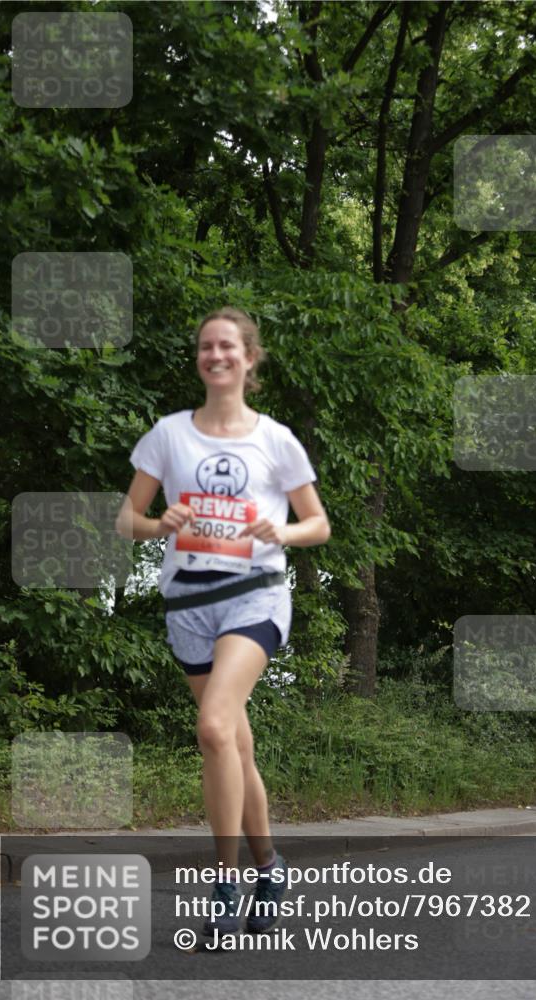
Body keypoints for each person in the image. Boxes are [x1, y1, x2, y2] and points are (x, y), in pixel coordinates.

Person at [117, 306, 330, 939]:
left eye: (228, 346)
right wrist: (161, 524)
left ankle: (226, 883)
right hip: (188, 603)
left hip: (255, 595)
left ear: (249, 357)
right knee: (232, 742)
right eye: (207, 346)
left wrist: (281, 529)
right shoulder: (169, 434)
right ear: (200, 359)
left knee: (211, 726)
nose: (217, 355)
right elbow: (127, 518)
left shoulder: (275, 438)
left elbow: (318, 524)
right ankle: (269, 864)